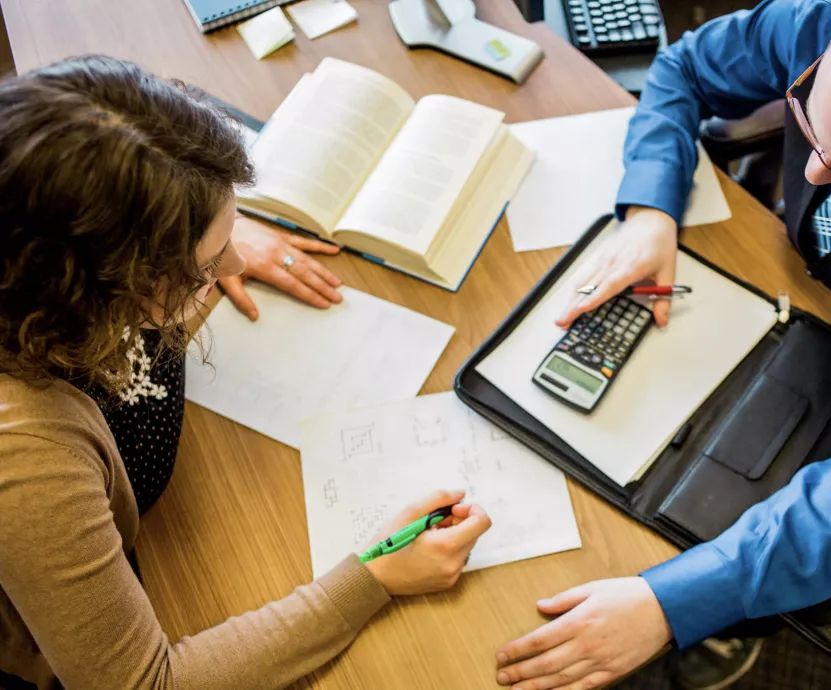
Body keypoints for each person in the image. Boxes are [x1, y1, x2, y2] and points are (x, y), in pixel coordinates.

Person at [494, 0, 831, 688]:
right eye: (808, 123)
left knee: (744, 541)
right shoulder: (829, 24)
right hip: (790, 292)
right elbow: (685, 68)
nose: (809, 173)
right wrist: (652, 207)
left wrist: (680, 604)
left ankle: (739, 629)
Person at [0, 55, 491, 689]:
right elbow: (144, 684)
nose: (231, 263)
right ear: (102, 280)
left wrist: (204, 218)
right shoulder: (27, 452)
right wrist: (372, 578)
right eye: (208, 260)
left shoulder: (29, 207)